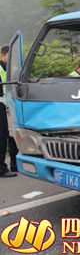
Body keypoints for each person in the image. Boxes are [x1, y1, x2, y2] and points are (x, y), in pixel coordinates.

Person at [0, 46, 18, 177]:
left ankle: (13, 164)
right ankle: (2, 168)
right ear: (3, 55)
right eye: (9, 55)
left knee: (9, 136)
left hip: (8, 107)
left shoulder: (10, 70)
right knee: (2, 138)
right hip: (1, 106)